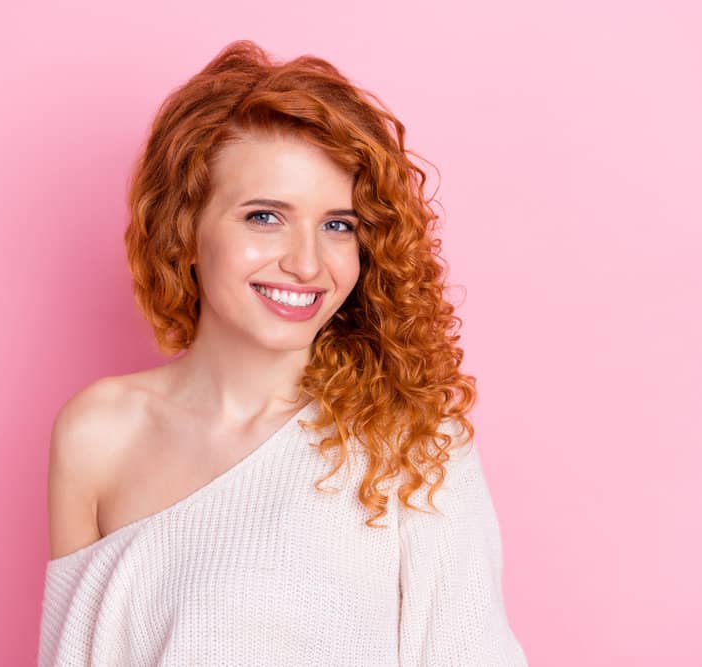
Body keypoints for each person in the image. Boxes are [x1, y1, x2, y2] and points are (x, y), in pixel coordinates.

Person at [38, 40, 528, 666]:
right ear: (185, 229)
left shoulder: (410, 442)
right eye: (265, 216)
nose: (305, 263)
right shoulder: (97, 433)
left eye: (337, 224)